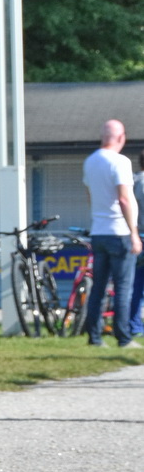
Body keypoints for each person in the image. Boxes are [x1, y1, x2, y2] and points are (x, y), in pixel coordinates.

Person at [82, 119, 141, 348]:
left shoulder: (90, 161)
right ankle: (123, 337)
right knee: (123, 287)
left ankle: (94, 337)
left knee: (98, 287)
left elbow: (90, 196)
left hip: (99, 232)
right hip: (119, 232)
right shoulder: (120, 162)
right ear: (121, 137)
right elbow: (124, 198)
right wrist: (133, 232)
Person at [128, 151, 144, 336]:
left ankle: (132, 324)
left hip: (133, 237)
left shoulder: (131, 181)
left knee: (134, 285)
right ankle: (134, 325)